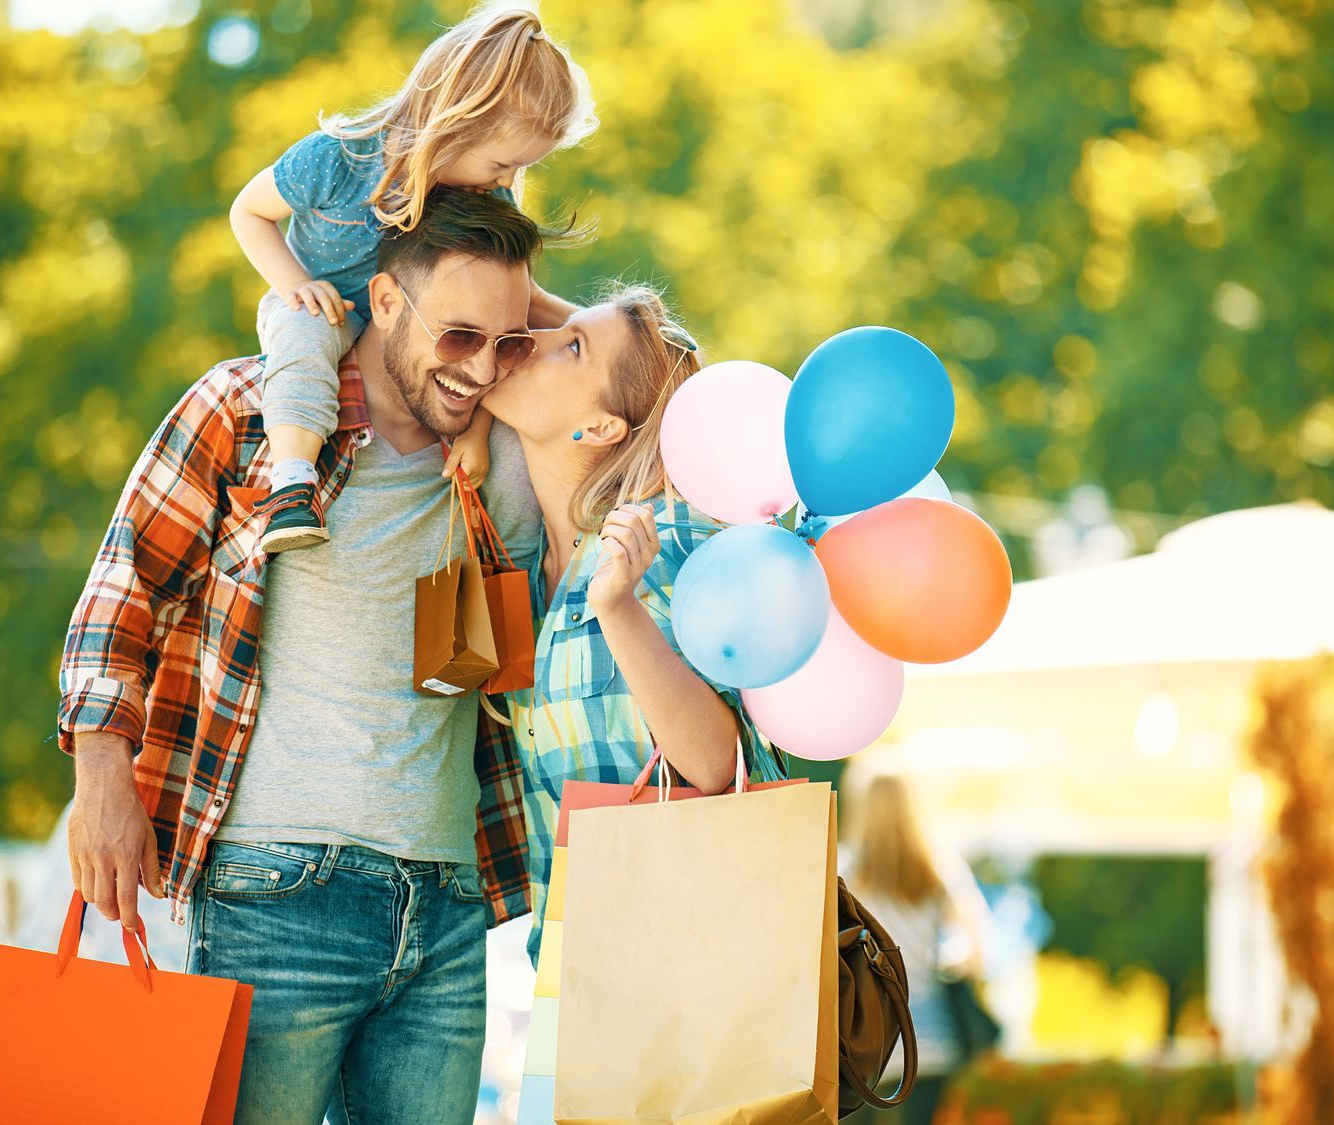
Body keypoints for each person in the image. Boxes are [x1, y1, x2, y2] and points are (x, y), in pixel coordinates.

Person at [60, 187, 549, 1124]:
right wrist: (102, 777)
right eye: (459, 337)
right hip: (272, 899)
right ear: (386, 301)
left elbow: (477, 671)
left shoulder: (488, 468)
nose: (482, 369)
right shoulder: (248, 408)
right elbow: (122, 589)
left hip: (447, 910)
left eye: (508, 342)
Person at [475, 283, 788, 967]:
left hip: (692, 969)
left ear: (602, 428)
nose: (537, 340)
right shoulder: (528, 572)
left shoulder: (665, 537)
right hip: (578, 973)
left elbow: (714, 762)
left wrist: (618, 609)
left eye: (573, 347)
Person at [229, 4, 595, 555]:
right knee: (305, 338)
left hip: (411, 342)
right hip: (322, 306)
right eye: (502, 165)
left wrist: (610, 336)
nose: (511, 181)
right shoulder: (335, 160)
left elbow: (515, 307)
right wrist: (294, 284)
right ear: (456, 122)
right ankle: (292, 483)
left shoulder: (474, 197)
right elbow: (248, 212)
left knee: (492, 342)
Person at [844, 772, 994, 1125]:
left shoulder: (842, 874)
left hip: (864, 1048)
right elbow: (979, 955)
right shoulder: (940, 870)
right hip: (933, 1047)